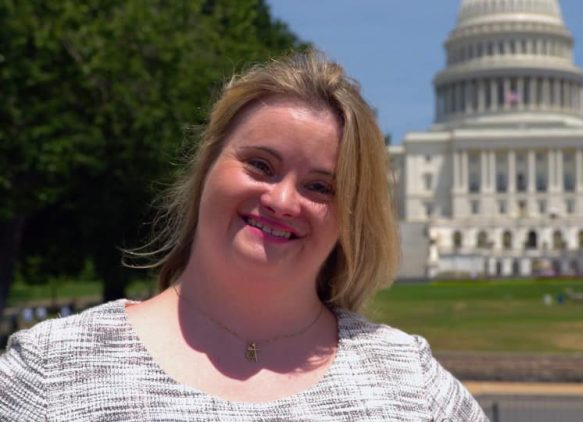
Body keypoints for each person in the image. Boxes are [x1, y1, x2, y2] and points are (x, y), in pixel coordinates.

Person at [0, 51, 488, 421]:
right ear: (207, 166)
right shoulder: (51, 370)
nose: (281, 200)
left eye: (320, 186)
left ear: (351, 217)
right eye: (260, 165)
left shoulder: (413, 387)